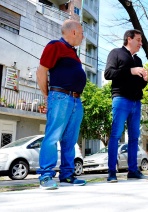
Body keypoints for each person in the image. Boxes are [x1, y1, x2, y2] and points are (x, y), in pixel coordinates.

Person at [36, 19, 87, 189]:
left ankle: (67, 175)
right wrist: (47, 95)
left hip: (75, 100)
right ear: (73, 32)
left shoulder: (73, 53)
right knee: (52, 137)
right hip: (60, 97)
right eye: (81, 33)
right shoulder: (55, 45)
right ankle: (46, 176)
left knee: (70, 140)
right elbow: (41, 70)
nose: (82, 37)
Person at [104, 29, 148, 183]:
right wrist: (130, 71)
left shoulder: (138, 60)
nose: (141, 44)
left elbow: (140, 85)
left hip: (136, 102)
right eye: (139, 40)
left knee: (134, 137)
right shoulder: (115, 53)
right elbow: (108, 74)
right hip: (121, 99)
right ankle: (111, 172)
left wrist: (145, 80)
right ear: (129, 39)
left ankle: (133, 171)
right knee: (116, 135)